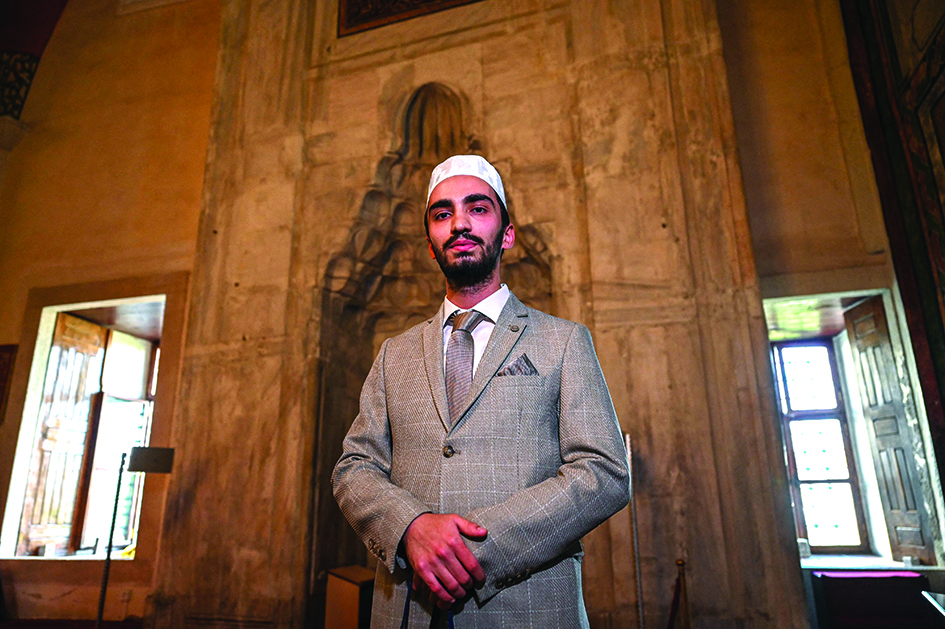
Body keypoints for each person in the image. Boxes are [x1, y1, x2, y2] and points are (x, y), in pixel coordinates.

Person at [332, 155, 630, 628]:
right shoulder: (394, 354)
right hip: (408, 611)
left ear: (506, 234)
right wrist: (410, 528)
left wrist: (470, 550)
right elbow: (354, 467)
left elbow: (604, 472)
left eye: (478, 208)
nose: (460, 224)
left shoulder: (563, 341)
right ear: (431, 244)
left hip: (527, 609)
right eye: (442, 214)